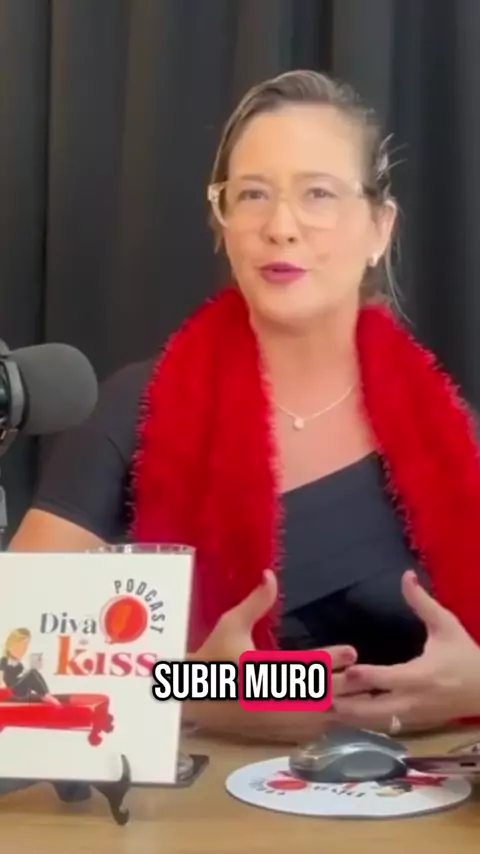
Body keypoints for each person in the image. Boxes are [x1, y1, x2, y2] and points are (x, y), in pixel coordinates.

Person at [10, 70, 480, 742]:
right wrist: (196, 691)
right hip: (196, 800)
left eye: (318, 194)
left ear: (380, 227)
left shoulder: (453, 436)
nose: (280, 227)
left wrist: (474, 687)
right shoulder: (132, 409)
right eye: (253, 195)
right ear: (222, 222)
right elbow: (17, 656)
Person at [0, 628, 60, 705]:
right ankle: (45, 696)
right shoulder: (4, 660)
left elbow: (24, 680)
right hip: (11, 692)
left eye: (25, 646)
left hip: (20, 691)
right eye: (21, 646)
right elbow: (1, 679)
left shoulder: (19, 664)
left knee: (33, 672)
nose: (23, 649)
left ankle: (45, 695)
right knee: (32, 673)